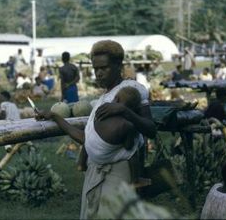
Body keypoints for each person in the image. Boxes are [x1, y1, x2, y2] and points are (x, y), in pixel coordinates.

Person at [37, 40, 156, 219]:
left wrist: (124, 110)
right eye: (95, 69)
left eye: (104, 68)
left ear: (118, 65)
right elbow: (86, 138)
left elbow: (151, 130)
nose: (98, 73)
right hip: (94, 171)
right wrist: (54, 117)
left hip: (118, 172)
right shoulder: (102, 100)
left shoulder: (132, 91)